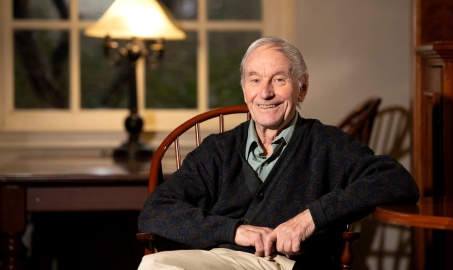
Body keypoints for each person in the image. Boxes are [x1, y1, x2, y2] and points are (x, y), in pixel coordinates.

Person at [137, 36, 419, 270]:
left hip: (289, 265)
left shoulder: (327, 144)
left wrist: (309, 218)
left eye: (279, 80)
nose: (265, 93)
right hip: (217, 259)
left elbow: (397, 180)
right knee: (155, 265)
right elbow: (155, 211)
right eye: (255, 80)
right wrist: (232, 230)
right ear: (244, 88)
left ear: (302, 88)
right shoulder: (218, 150)